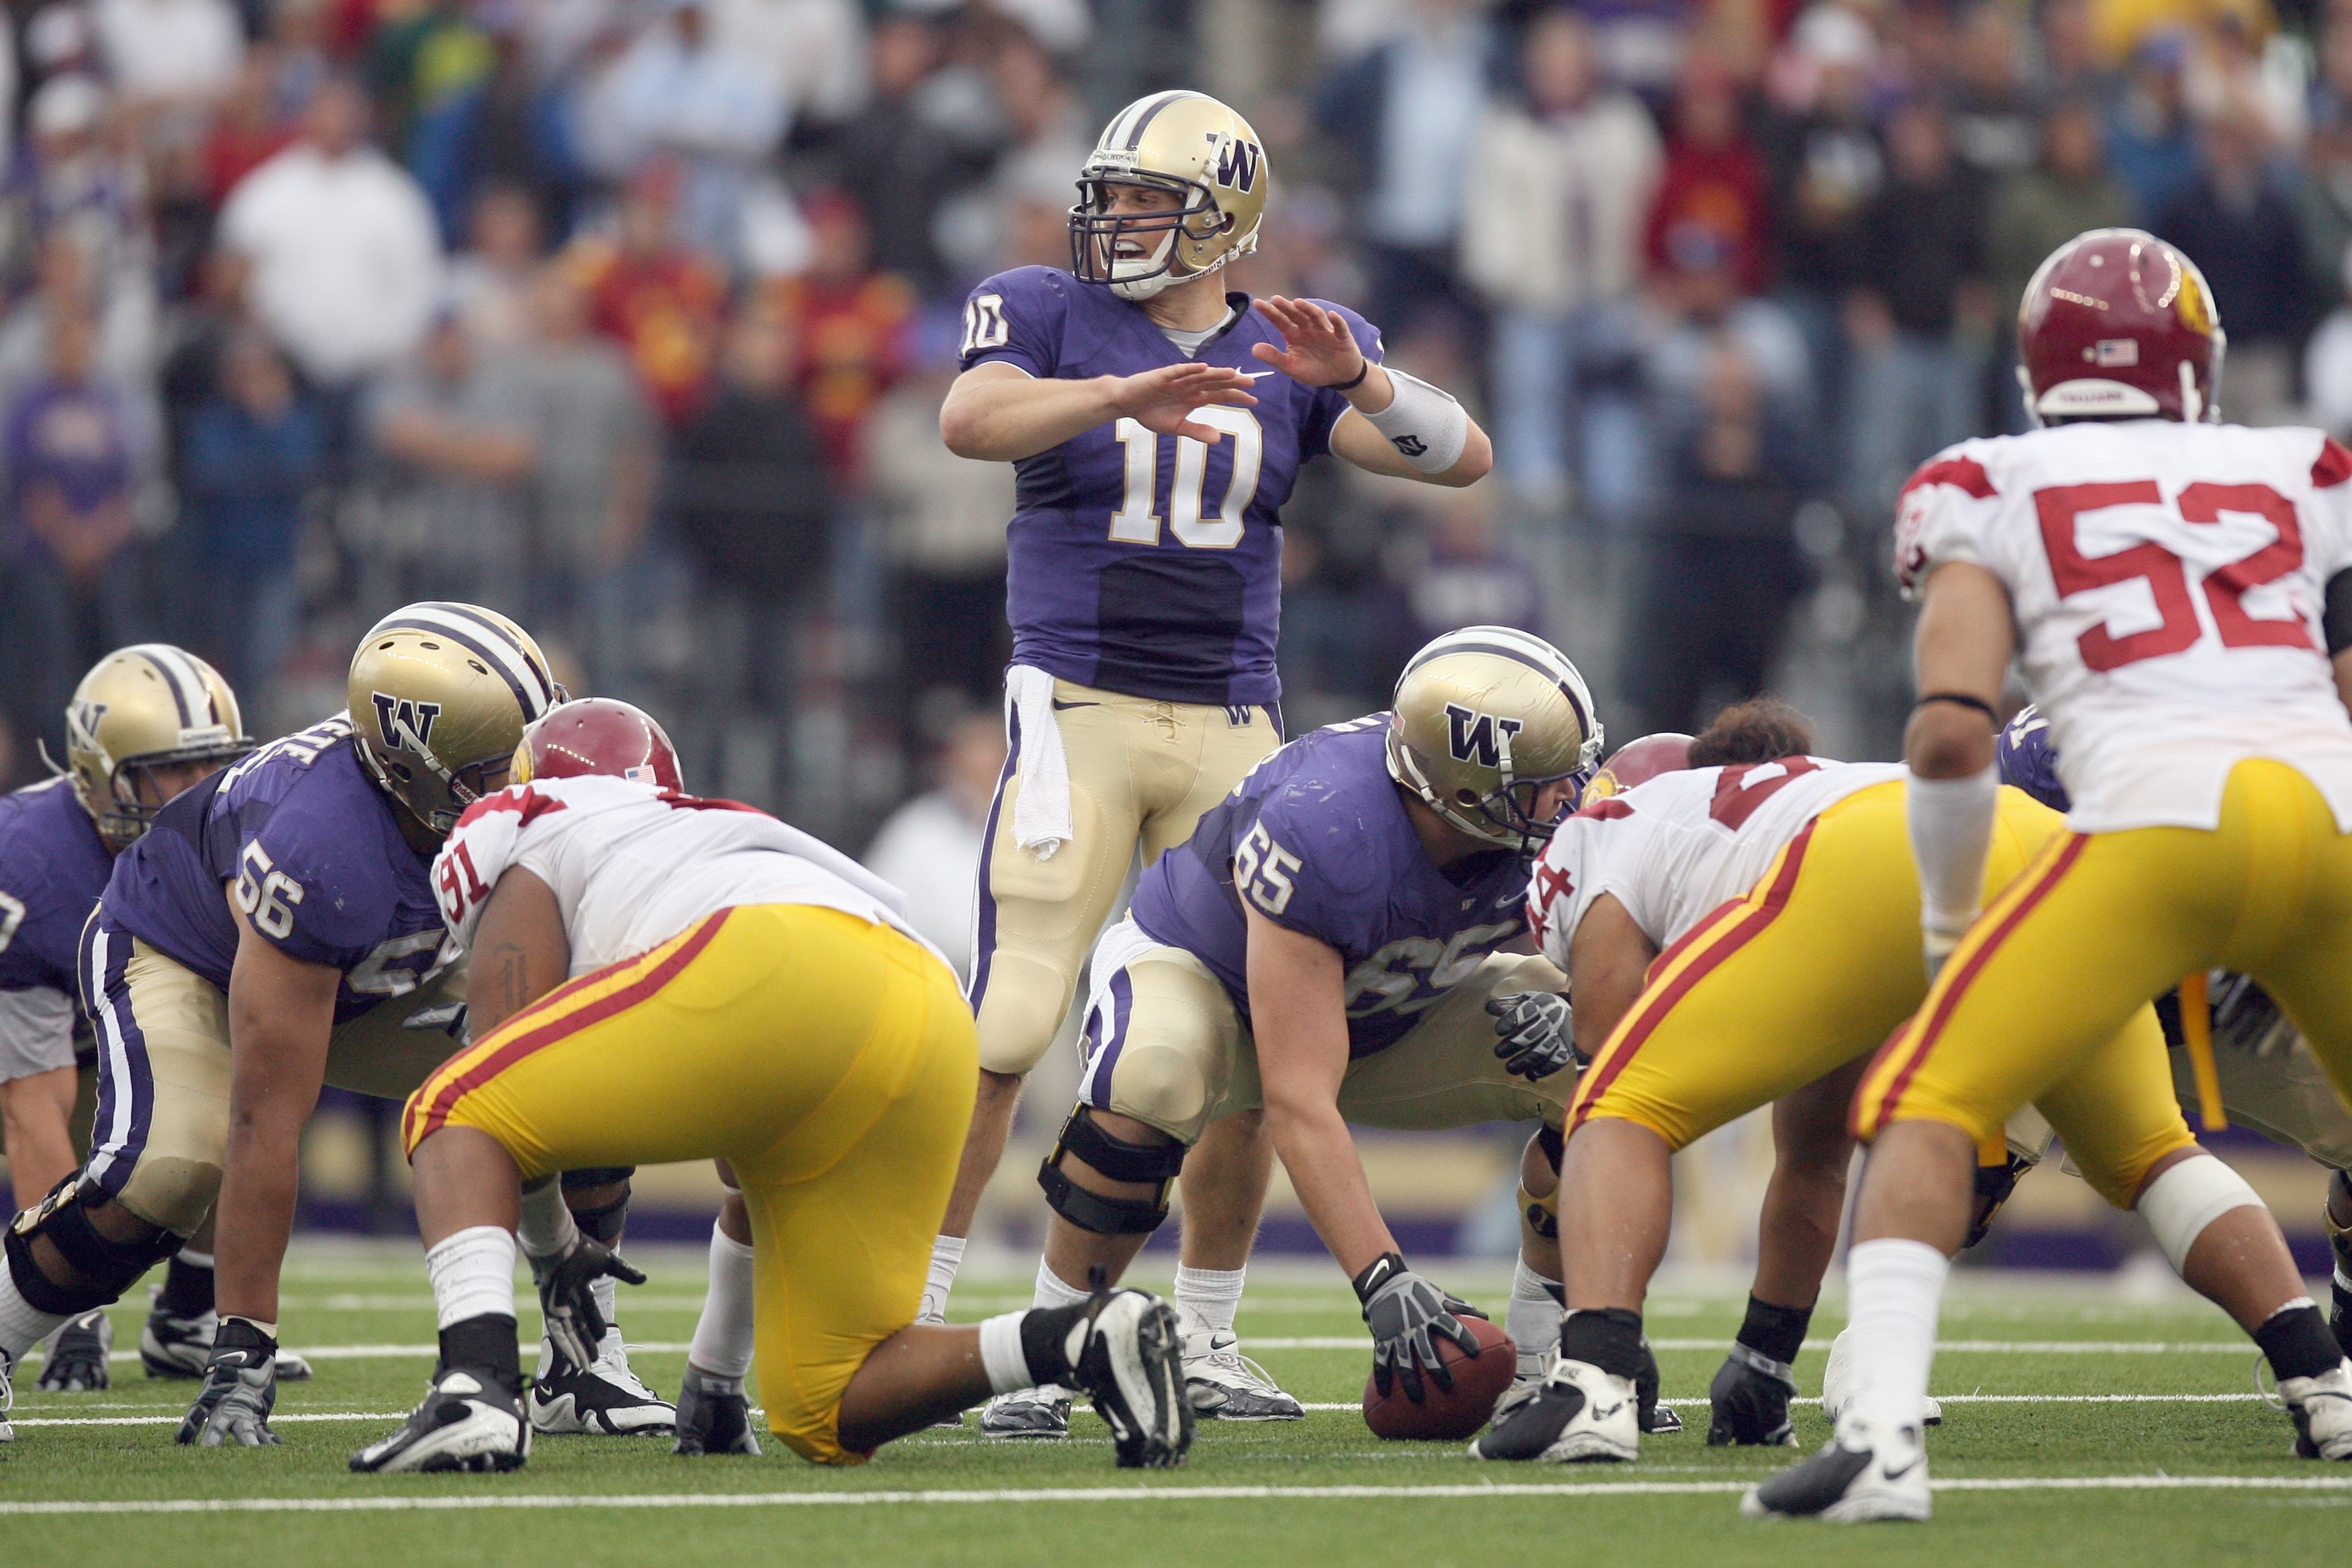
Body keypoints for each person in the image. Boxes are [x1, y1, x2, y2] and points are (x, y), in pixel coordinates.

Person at [1751, 230, 2352, 1522]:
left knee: (1923, 1100)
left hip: (2147, 825)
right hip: (2315, 816)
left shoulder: (1986, 480)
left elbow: (1949, 730)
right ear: (2195, 365)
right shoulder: (2298, 465)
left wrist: (1951, 921)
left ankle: (1880, 1446)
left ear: (2035, 365)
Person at [932, 88, 1493, 1432]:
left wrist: (1355, 379)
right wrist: (1129, 390)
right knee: (1011, 1021)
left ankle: (1205, 1332)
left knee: (1241, 1037)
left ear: (1227, 215)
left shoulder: (1293, 341)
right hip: (1077, 707)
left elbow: (1462, 458)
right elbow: (970, 420)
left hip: (1235, 725)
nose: (1116, 219)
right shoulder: (1047, 309)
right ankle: (928, 1321)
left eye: (1146, 198)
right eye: (1110, 194)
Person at [352, 699, 1191, 1473]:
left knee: (453, 1098)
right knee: (823, 1404)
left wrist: (553, 1247)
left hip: (774, 960)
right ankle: (1080, 1336)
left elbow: (498, 1084)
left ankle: (475, 1389)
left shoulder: (530, 820)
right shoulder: (703, 837)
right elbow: (748, 1169)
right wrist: (716, 1373)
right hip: (923, 1003)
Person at [1473, 696, 2276, 1469]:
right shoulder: (1801, 782)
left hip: (1860, 879)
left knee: (1620, 1110)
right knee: (2150, 1151)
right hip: (2033, 852)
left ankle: (1597, 1386)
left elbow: (1611, 1063)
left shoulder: (1614, 827)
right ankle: (2320, 1376)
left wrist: (1610, 1327)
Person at [0, 603, 666, 1444]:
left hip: (367, 964)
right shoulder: (322, 844)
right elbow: (265, 1118)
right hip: (180, 953)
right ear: (414, 765)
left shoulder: (467, 805)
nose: (524, 786)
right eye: (497, 767)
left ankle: (584, 1358)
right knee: (168, 1172)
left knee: (576, 1054)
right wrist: (244, 1353)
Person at [1006, 630, 1670, 1430]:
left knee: (1601, 1065)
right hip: (1200, 975)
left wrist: (1573, 1001)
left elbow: (1587, 957)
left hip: (1388, 1002)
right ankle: (1045, 1351)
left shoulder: (1521, 821)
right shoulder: (1327, 824)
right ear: (1463, 790)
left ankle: (1548, 1355)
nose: (1568, 798)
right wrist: (1382, 1277)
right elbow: (1298, 1100)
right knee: (1154, 1070)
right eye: (1541, 783)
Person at [0, 646, 252, 1405]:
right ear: (96, 773)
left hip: (100, 1027)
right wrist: (70, 1309)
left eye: (212, 765)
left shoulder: (238, 841)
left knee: (253, 1067)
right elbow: (32, 1103)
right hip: (32, 1040)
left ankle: (188, 1309)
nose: (197, 791)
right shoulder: (33, 866)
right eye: (170, 770)